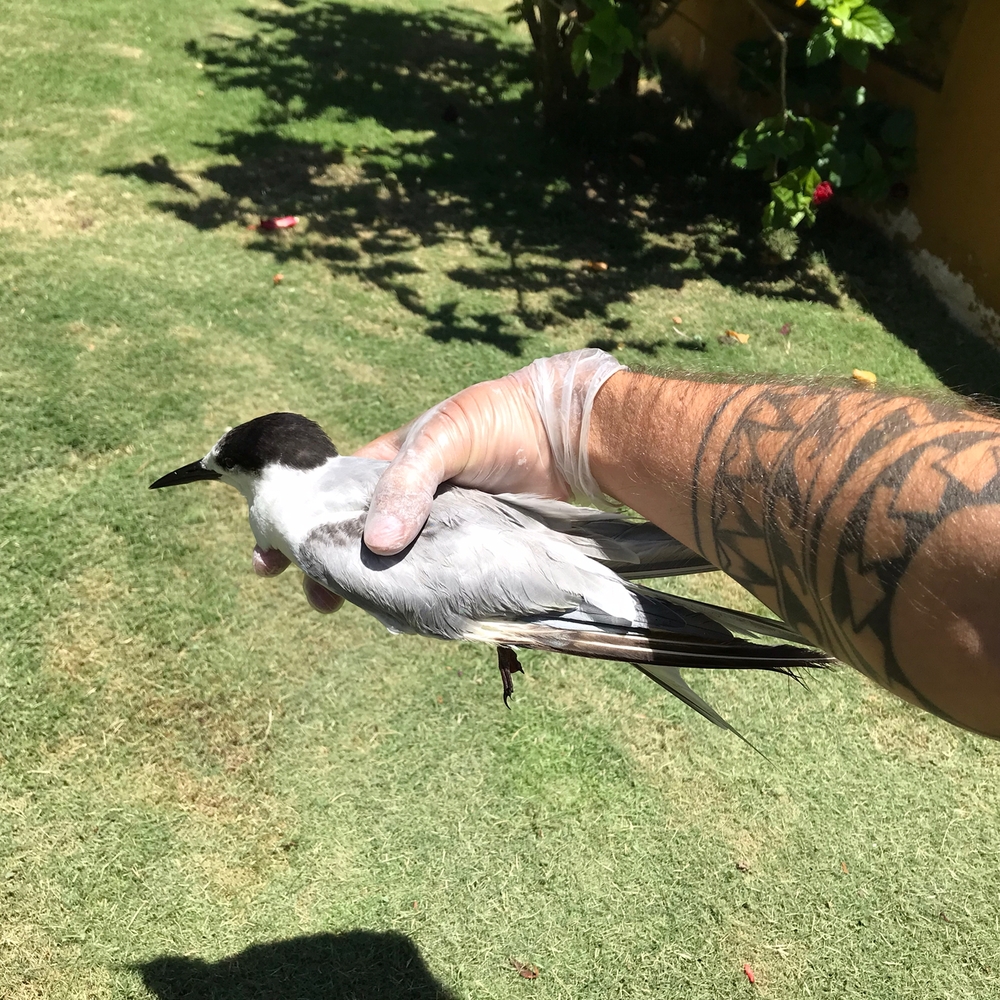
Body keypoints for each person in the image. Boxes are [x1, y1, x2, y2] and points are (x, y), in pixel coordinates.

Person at [254, 349, 1000, 738]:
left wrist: (574, 416)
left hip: (547, 572)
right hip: (532, 545)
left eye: (227, 471)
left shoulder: (318, 536)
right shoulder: (340, 489)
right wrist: (571, 421)